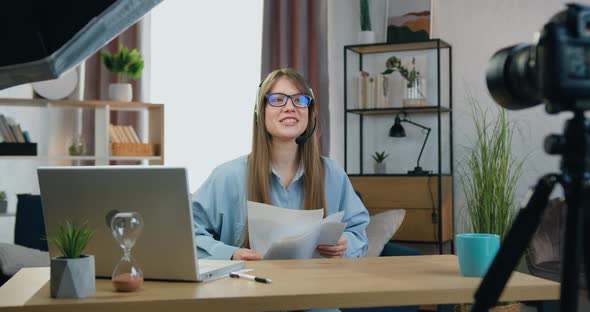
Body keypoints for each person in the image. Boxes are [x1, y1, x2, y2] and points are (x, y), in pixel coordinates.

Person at [191, 68, 369, 261]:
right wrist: (231, 254)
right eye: (277, 99)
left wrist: (346, 243)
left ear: (310, 114)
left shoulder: (333, 174)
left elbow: (358, 232)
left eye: (300, 100)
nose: (290, 107)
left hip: (316, 288)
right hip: (248, 288)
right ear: (260, 112)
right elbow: (187, 232)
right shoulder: (227, 176)